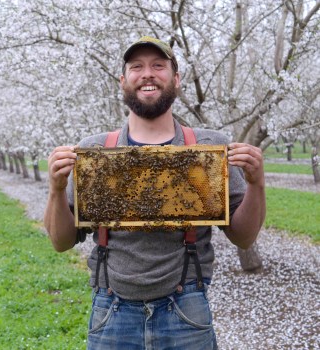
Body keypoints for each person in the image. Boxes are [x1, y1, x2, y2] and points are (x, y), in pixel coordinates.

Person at [43, 36, 266, 350]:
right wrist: (55, 189)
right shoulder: (94, 151)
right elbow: (61, 242)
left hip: (186, 310)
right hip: (112, 312)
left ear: (175, 79)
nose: (147, 73)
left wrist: (256, 184)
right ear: (124, 81)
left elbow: (243, 237)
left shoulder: (207, 148)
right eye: (137, 67)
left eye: (158, 66)